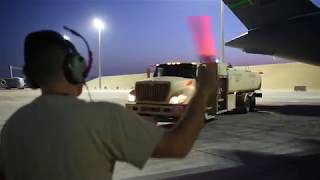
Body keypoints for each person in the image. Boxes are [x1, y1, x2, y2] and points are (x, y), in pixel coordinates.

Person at [0, 30, 217, 180]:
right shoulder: (103, 117)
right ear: (74, 67)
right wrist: (204, 91)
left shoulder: (10, 128)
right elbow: (178, 146)